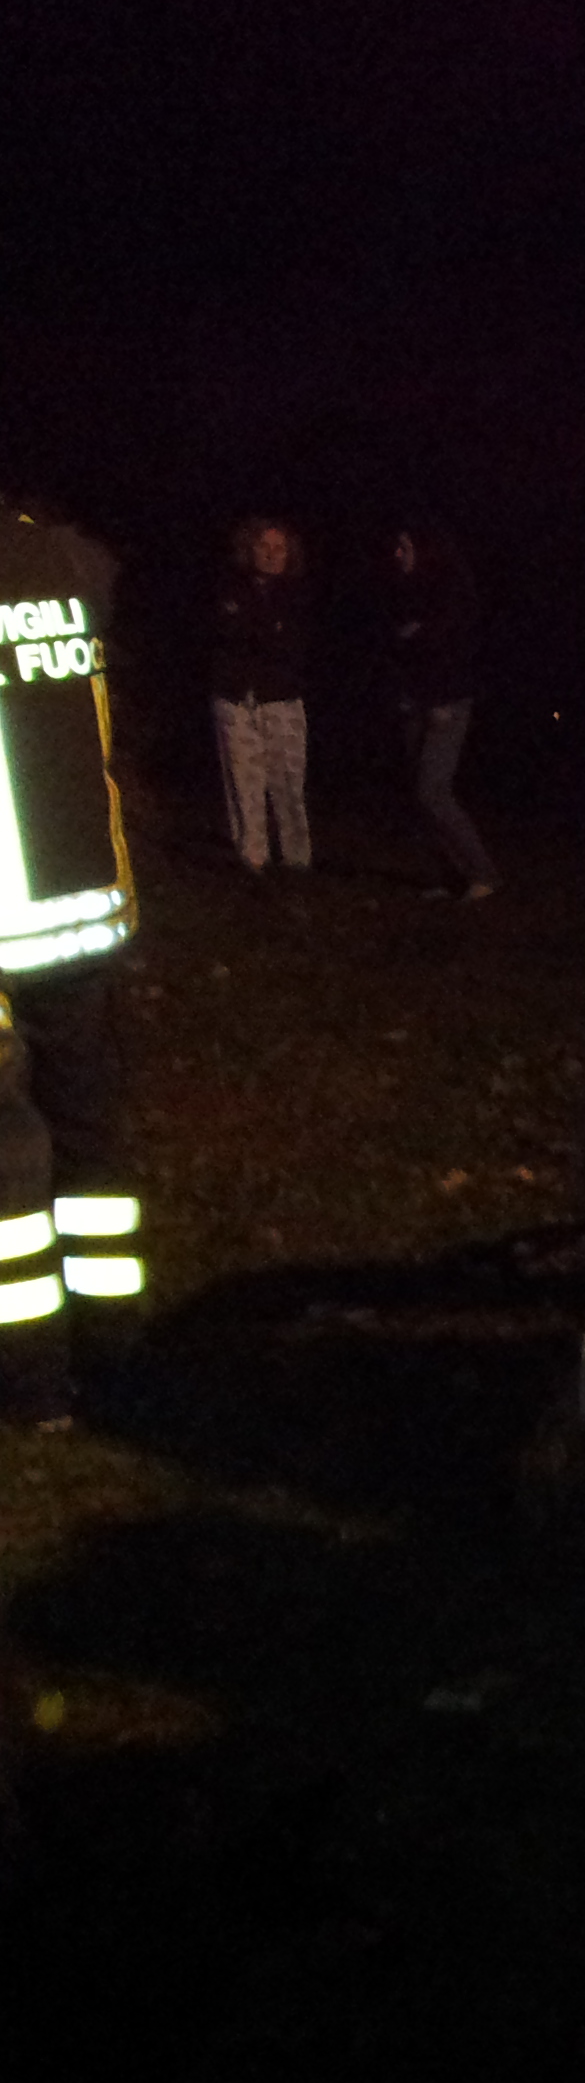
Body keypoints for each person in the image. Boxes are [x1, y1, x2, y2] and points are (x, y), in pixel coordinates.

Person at [1, 501, 146, 1425]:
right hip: (83, 899)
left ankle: (29, 1382)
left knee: (5, 1162)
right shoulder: (65, 556)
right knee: (89, 1134)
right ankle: (116, 1354)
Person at [385, 517, 495, 900]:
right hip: (413, 701)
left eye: (405, 547)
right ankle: (450, 876)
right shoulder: (406, 592)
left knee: (432, 790)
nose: (397, 554)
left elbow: (452, 651)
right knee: (418, 795)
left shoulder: (452, 593)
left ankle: (483, 873)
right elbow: (399, 647)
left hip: (445, 702)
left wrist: (440, 699)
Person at [213, 517, 313, 875]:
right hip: (236, 698)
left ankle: (296, 860)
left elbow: (291, 646)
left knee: (288, 782)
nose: (271, 555)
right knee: (243, 781)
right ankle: (252, 857)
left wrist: (259, 632)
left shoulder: (297, 595)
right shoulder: (227, 588)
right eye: (264, 547)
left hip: (281, 698)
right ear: (249, 549)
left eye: (279, 549)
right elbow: (224, 635)